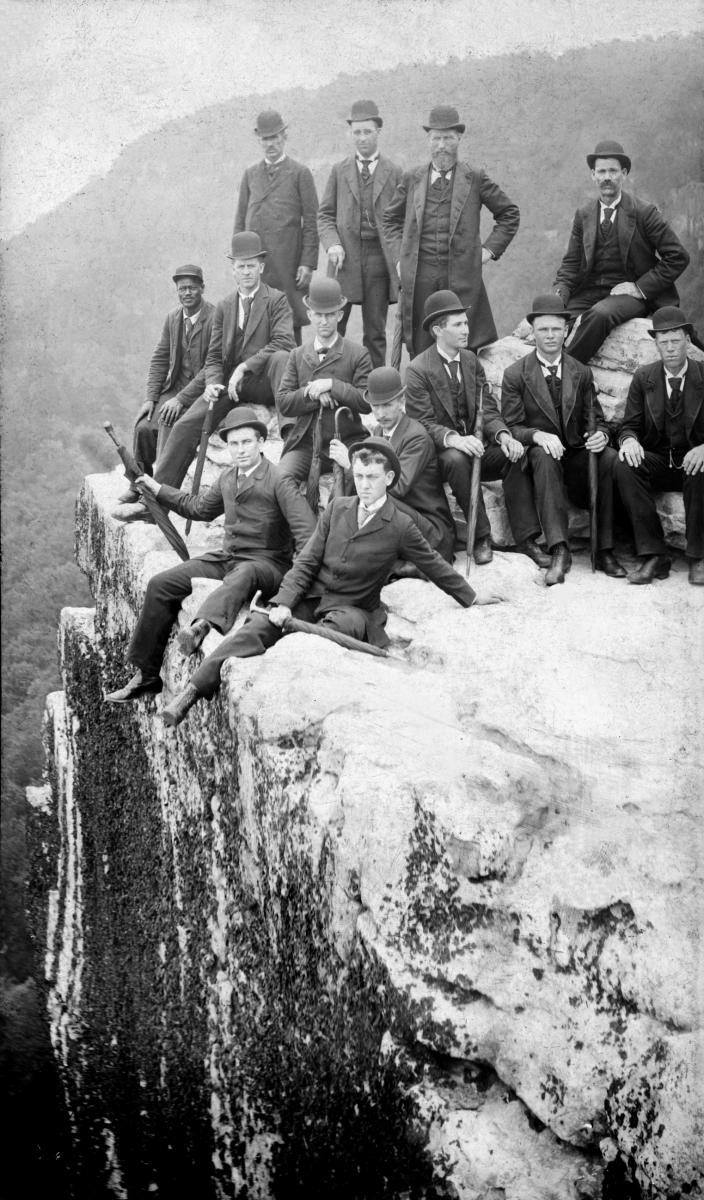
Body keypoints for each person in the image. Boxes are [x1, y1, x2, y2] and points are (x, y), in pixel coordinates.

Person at [161, 439, 505, 726]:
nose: (365, 484)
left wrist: (471, 597)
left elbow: (434, 564)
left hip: (353, 610)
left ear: (388, 478)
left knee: (327, 634)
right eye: (359, 476)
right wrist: (282, 602)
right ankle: (191, 691)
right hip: (311, 596)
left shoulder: (400, 525)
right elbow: (306, 561)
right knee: (257, 627)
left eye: (372, 477)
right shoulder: (338, 508)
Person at [104, 408, 316, 703]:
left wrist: (294, 591)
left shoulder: (280, 481)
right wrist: (156, 488)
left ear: (261, 442)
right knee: (161, 584)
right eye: (234, 443)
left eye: (247, 442)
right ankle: (147, 674)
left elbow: (309, 536)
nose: (240, 450)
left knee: (245, 573)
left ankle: (201, 626)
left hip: (269, 565)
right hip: (229, 558)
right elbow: (199, 508)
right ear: (227, 446)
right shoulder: (228, 477)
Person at [118, 232, 295, 514]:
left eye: (251, 265)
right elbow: (214, 357)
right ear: (232, 269)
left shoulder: (276, 300)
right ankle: (157, 503)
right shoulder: (225, 306)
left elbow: (284, 342)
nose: (246, 271)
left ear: (261, 267)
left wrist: (244, 367)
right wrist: (213, 383)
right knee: (184, 426)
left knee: (284, 358)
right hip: (229, 386)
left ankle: (292, 436)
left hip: (263, 381)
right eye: (241, 266)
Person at [404, 290, 549, 568]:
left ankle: (527, 539)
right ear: (437, 330)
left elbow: (489, 409)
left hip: (477, 447)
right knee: (458, 459)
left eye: (466, 323)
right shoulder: (417, 369)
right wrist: (453, 438)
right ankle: (481, 535)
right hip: (441, 455)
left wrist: (503, 435)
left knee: (514, 454)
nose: (466, 329)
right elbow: (421, 424)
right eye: (457, 324)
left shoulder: (470, 361)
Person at [500, 295, 625, 585]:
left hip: (575, 455)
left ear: (566, 330)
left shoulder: (580, 371)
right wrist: (537, 435)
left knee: (607, 457)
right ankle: (559, 549)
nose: (550, 335)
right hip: (539, 460)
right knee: (544, 455)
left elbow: (598, 418)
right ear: (533, 331)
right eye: (543, 329)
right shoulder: (515, 374)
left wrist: (601, 435)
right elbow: (513, 426)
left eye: (556, 329)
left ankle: (603, 549)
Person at [382, 104, 519, 357]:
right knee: (422, 347)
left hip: (461, 277)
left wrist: (488, 251)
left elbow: (509, 214)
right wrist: (400, 257)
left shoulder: (474, 177)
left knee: (464, 345)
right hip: (420, 277)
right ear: (428, 140)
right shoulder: (413, 178)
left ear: (458, 139)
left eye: (448, 138)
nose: (442, 145)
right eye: (436, 138)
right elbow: (389, 219)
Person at [552, 139, 690, 365]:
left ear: (624, 174)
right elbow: (571, 264)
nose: (607, 177)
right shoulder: (584, 214)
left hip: (628, 295)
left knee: (598, 316)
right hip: (589, 289)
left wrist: (639, 288)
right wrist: (557, 297)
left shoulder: (645, 212)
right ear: (593, 176)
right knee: (550, 315)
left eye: (613, 171)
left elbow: (678, 256)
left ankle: (564, 373)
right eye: (601, 171)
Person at [614, 307, 704, 586]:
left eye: (675, 340)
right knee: (624, 465)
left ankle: (699, 556)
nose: (670, 348)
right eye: (663, 342)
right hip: (659, 458)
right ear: (656, 344)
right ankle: (654, 553)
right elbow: (629, 424)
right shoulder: (645, 377)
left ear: (687, 340)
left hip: (695, 459)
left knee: (702, 467)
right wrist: (628, 441)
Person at [329, 366, 456, 562]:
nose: (380, 413)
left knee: (374, 496)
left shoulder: (416, 437)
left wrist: (351, 465)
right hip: (402, 523)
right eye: (375, 406)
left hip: (430, 531)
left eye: (387, 405)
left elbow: (397, 487)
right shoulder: (380, 431)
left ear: (401, 402)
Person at [119, 265, 215, 503]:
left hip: (201, 394)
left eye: (192, 288)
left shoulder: (215, 318)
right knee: (142, 427)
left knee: (167, 424)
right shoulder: (173, 318)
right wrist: (151, 398)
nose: (187, 293)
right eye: (182, 289)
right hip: (173, 389)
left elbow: (212, 366)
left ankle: (159, 493)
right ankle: (138, 482)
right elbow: (160, 358)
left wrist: (180, 400)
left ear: (202, 288)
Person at [317, 100, 402, 368]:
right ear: (351, 133)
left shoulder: (395, 172)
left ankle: (376, 390)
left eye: (367, 132)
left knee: (375, 333)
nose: (362, 138)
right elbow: (325, 215)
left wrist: (398, 257)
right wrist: (332, 245)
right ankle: (327, 379)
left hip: (379, 261)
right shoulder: (339, 171)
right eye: (357, 132)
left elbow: (401, 221)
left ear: (378, 132)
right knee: (333, 326)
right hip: (345, 261)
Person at [276, 276, 372, 505]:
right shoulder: (297, 355)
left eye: (329, 315)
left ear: (340, 315)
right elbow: (284, 401)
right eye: (318, 314)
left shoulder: (358, 354)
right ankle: (307, 536)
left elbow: (367, 401)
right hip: (307, 445)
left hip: (348, 441)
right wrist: (312, 393)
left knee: (354, 488)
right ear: (309, 315)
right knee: (280, 478)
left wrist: (332, 385)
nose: (324, 321)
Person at [234, 109, 319, 345]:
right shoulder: (250, 175)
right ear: (258, 140)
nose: (270, 143)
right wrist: (240, 263)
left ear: (284, 137)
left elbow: (312, 222)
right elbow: (240, 223)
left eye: (274, 137)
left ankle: (291, 379)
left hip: (289, 267)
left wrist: (307, 263)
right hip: (258, 266)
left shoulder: (300, 173)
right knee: (255, 327)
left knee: (289, 327)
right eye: (265, 138)